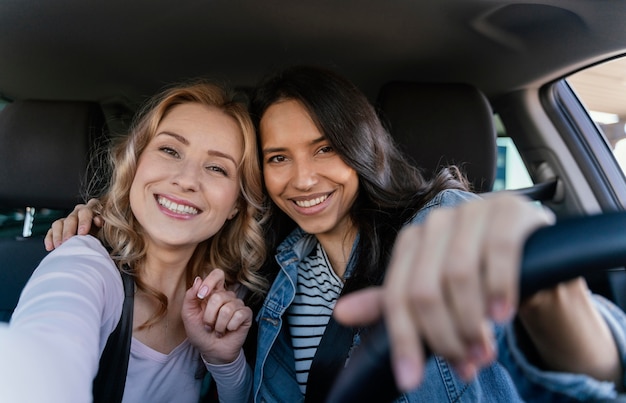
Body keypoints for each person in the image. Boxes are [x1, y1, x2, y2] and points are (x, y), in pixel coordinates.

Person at [45, 65, 626, 402]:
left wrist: (550, 290)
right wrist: (104, 215)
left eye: (325, 148)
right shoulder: (276, 272)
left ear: (363, 147)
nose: (302, 178)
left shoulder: (440, 224)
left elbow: (601, 371)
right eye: (277, 158)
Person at [0, 81, 269, 402]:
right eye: (170, 151)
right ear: (135, 163)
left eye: (216, 167)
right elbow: (43, 358)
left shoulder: (230, 297)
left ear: (236, 204)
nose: (186, 180)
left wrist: (225, 361)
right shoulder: (81, 260)